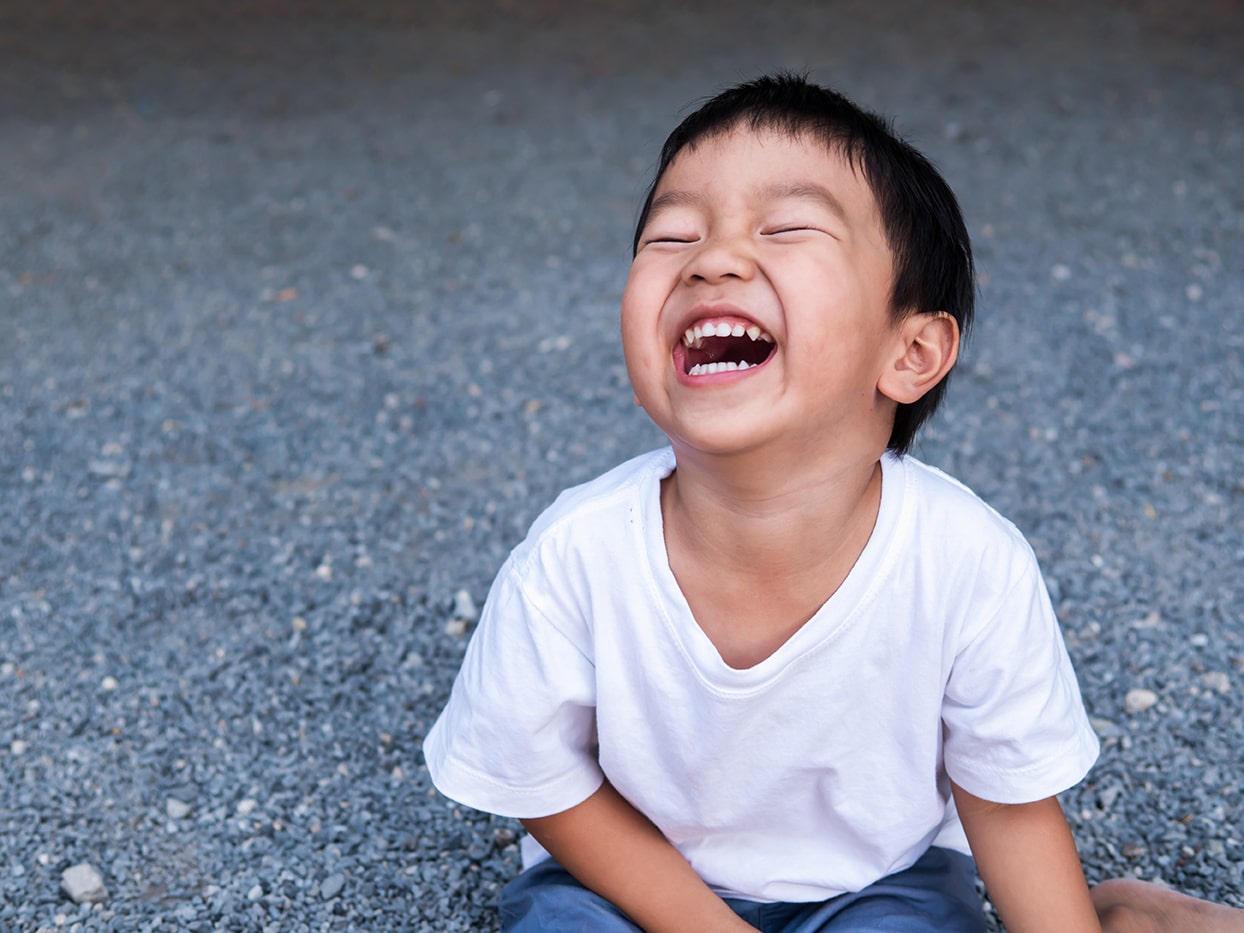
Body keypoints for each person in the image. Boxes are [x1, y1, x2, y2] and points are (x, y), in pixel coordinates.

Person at [424, 73, 1244, 932]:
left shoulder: (968, 561)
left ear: (913, 351)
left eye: (785, 228)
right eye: (672, 235)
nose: (711, 258)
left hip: (881, 881)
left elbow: (1004, 800)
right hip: (623, 884)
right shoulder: (575, 555)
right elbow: (541, 783)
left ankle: (1125, 916)